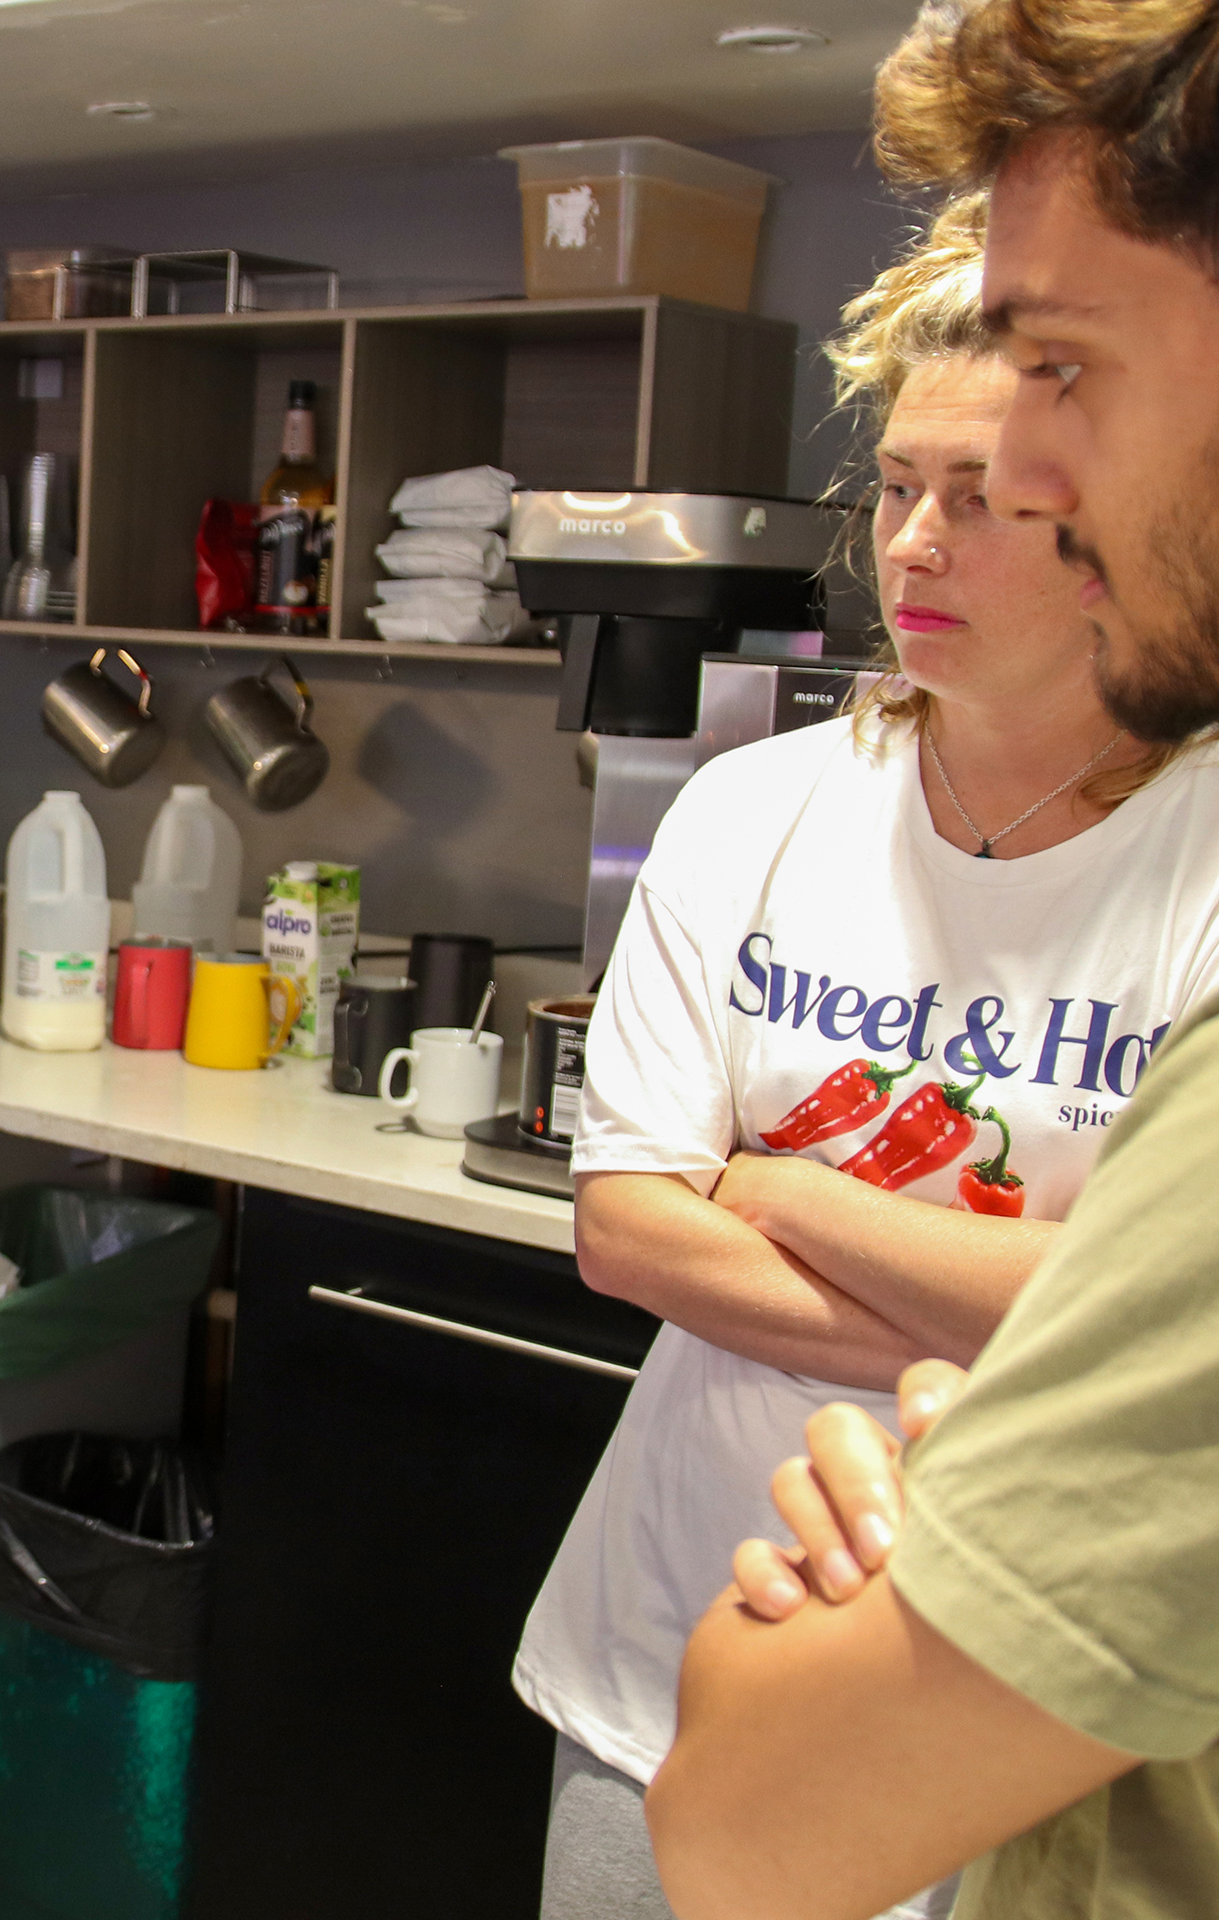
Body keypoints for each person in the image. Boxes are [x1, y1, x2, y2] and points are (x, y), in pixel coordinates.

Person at [512, 185, 1219, 1920]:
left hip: (990, 1712)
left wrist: (771, 1188)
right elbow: (628, 1229)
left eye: (979, 502)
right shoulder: (760, 804)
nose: (912, 544)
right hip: (656, 1653)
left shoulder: (1198, 855)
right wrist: (1021, 1297)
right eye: (899, 487)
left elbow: (1156, 1337)